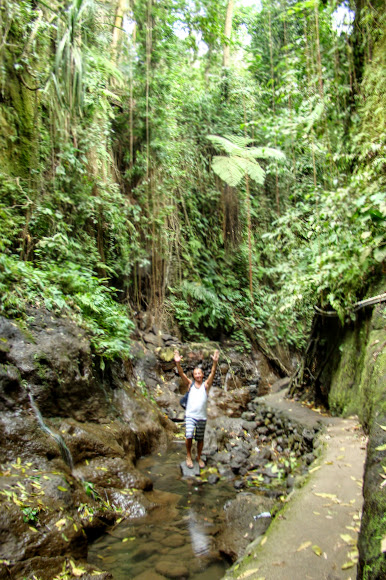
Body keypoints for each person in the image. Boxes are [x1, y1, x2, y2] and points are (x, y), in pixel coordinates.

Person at [174, 348, 219, 469]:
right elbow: (181, 373)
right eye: (196, 374)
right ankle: (188, 456)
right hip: (190, 415)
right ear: (194, 376)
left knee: (200, 438)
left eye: (200, 373)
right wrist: (177, 362)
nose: (198, 375)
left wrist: (215, 362)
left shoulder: (206, 385)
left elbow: (213, 373)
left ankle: (198, 457)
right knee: (189, 435)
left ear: (202, 375)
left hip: (202, 417)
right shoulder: (190, 384)